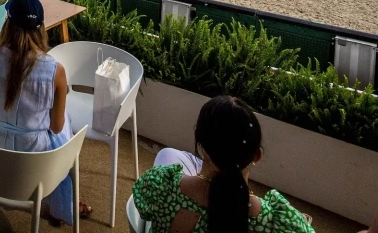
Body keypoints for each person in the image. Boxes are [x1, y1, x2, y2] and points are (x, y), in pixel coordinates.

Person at [0, 0, 90, 225]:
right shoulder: (54, 70)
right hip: (36, 170)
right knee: (65, 125)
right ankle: (63, 203)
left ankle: (61, 201)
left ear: (7, 23)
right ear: (41, 28)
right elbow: (56, 127)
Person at [133, 95, 314, 233]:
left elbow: (143, 210)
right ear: (257, 155)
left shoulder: (160, 187)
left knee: (167, 154)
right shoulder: (278, 222)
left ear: (200, 142)